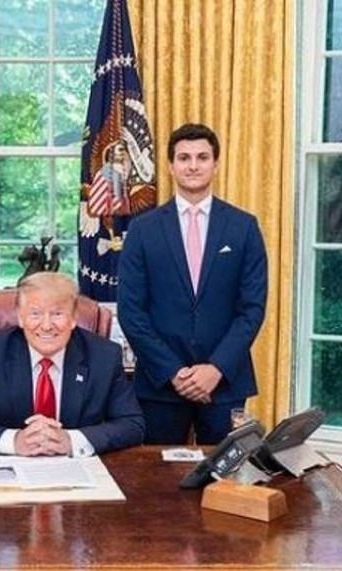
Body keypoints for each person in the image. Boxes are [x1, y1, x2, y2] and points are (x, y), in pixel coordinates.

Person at [117, 123, 268, 445]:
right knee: (157, 471)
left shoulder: (243, 227)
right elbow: (131, 311)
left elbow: (252, 309)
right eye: (184, 158)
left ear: (216, 165)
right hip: (160, 383)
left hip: (224, 382)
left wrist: (216, 368)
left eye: (202, 157)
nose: (193, 165)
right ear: (170, 166)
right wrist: (173, 372)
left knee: (225, 471)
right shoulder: (143, 230)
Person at [0, 272, 144, 456]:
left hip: (75, 471)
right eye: (35, 314)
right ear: (20, 317)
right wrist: (14, 441)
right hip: (7, 470)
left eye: (57, 314)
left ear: (73, 318)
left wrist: (71, 441)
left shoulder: (104, 356)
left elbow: (132, 425)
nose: (46, 326)